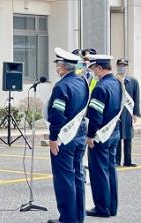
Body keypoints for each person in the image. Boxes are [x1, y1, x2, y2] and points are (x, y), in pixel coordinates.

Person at [47, 48, 89, 223]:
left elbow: (57, 114)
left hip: (65, 137)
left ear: (63, 67)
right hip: (80, 134)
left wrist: (53, 137)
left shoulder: (61, 86)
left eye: (58, 65)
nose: (56, 68)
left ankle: (68, 218)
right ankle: (79, 216)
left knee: (64, 178)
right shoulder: (82, 82)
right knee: (78, 175)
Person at [85, 54, 122, 218]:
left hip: (100, 135)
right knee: (110, 170)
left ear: (100, 68)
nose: (93, 72)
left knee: (98, 172)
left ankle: (102, 208)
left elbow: (95, 115)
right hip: (114, 133)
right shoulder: (117, 83)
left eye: (93, 69)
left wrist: (90, 135)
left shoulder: (100, 87)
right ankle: (112, 207)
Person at [116, 58, 140, 167]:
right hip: (117, 112)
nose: (122, 67)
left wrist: (135, 114)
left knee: (128, 136)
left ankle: (128, 160)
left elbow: (136, 98)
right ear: (116, 66)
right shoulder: (113, 80)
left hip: (128, 113)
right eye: (120, 65)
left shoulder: (133, 81)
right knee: (117, 136)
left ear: (127, 67)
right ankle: (116, 160)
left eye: (124, 65)